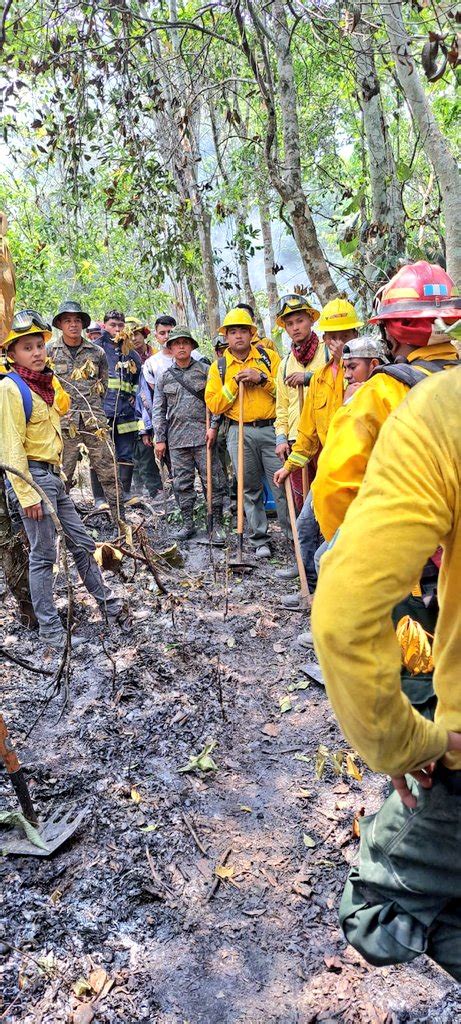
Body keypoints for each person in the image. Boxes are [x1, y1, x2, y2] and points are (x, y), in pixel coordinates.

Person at [312, 364, 461, 983]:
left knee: (372, 909)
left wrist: (402, 742)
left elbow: (336, 492)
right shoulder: (336, 381)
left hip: (401, 553)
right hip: (419, 553)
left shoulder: (432, 403)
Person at [0, 311, 125, 651]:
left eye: (40, 345)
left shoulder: (44, 383)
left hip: (53, 475)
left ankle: (106, 602)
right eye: (27, 347)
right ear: (12, 354)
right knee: (43, 556)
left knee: (81, 542)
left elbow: (63, 408)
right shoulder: (10, 389)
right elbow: (10, 448)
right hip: (32, 478)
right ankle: (50, 627)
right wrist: (27, 495)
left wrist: (53, 382)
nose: (37, 352)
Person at [312, 262, 460, 545]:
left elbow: (333, 486)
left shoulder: (381, 392)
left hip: (410, 566)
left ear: (390, 332)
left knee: (325, 560)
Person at [273, 297, 362, 605]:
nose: (338, 344)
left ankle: (333, 603)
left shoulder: (367, 376)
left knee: (336, 543)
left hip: (357, 477)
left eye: (345, 337)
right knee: (305, 528)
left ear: (356, 337)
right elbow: (308, 434)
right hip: (327, 472)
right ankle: (309, 592)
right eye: (333, 337)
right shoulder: (321, 379)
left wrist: (344, 365)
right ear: (325, 338)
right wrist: (290, 466)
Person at [205, 307, 289, 558]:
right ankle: (259, 538)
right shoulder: (219, 367)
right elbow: (215, 405)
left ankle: (293, 534)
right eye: (233, 332)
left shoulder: (269, 357)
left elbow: (284, 394)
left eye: (243, 330)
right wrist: (234, 383)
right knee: (249, 487)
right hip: (238, 431)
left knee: (281, 484)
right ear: (226, 337)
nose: (238, 336)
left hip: (271, 429)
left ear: (251, 334)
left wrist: (261, 379)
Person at [47, 300, 122, 523]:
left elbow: (103, 386)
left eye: (77, 320)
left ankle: (121, 523)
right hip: (63, 424)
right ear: (60, 324)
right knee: (62, 477)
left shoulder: (96, 352)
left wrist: (92, 410)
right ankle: (62, 530)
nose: (73, 325)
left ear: (83, 324)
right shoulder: (50, 351)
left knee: (109, 473)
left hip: (93, 422)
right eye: (68, 320)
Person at [153, 326, 225, 540]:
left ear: (192, 346)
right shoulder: (164, 377)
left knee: (212, 481)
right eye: (176, 343)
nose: (181, 346)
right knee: (181, 483)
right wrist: (160, 439)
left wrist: (213, 426)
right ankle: (188, 524)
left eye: (185, 342)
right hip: (176, 441)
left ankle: (216, 525)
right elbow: (159, 409)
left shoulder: (205, 371)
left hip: (204, 438)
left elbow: (216, 403)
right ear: (171, 349)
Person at [274, 294, 325, 543]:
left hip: (325, 439)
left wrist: (309, 378)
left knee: (328, 498)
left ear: (311, 321)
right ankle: (306, 561)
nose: (295, 327)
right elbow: (281, 407)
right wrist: (281, 438)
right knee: (301, 500)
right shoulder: (284, 365)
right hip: (296, 442)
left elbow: (340, 383)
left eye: (300, 320)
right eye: (290, 323)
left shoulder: (327, 354)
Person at [98, 310, 142, 501]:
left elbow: (138, 379)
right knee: (101, 455)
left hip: (126, 412)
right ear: (104, 325)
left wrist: (133, 395)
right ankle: (101, 498)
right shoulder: (96, 349)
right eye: (113, 325)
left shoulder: (130, 353)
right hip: (102, 411)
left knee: (125, 453)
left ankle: (124, 494)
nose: (116, 329)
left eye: (120, 325)